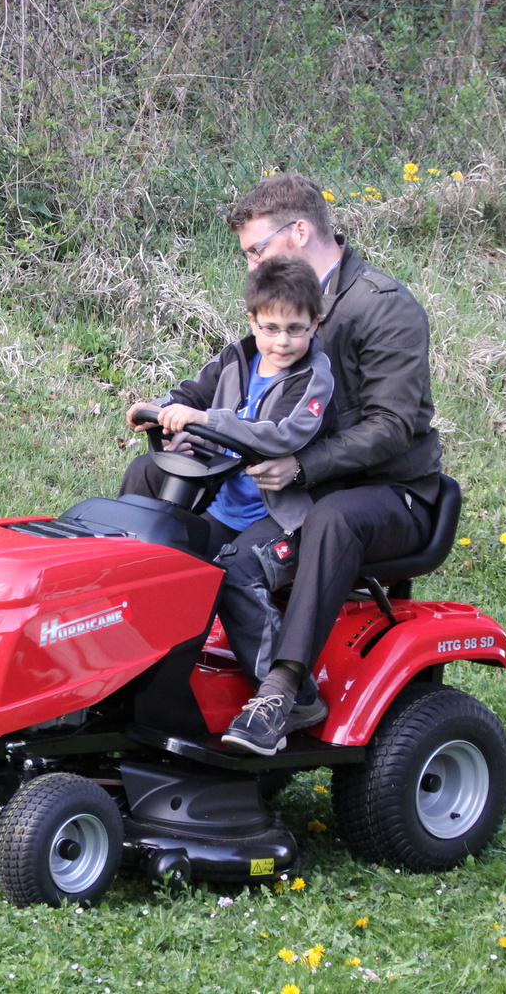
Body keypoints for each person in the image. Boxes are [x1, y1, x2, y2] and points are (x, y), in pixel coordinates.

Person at [215, 172, 443, 756]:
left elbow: (392, 427)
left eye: (256, 250)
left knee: (333, 520)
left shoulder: (382, 307)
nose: (250, 267)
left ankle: (284, 694)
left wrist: (299, 466)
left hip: (393, 493)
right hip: (305, 490)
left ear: (298, 231)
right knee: (205, 535)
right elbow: (235, 381)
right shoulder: (283, 306)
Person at [122, 255, 335, 724]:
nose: (283, 341)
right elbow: (192, 393)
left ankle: (288, 697)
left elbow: (282, 434)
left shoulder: (314, 377)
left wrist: (205, 421)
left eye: (296, 329)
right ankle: (140, 674)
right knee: (168, 561)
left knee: (236, 572)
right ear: (253, 321)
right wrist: (161, 409)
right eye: (272, 327)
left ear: (315, 324)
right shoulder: (236, 358)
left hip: (281, 518)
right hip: (222, 504)